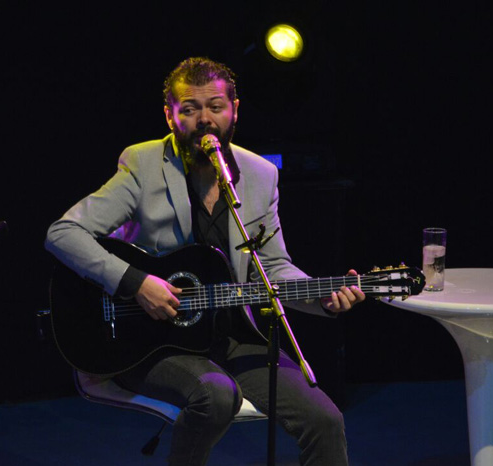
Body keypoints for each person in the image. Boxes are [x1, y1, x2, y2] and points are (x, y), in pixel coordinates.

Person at [45, 56, 365, 466]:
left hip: (232, 335)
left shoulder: (260, 175)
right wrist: (136, 282)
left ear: (235, 110)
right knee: (216, 396)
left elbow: (272, 267)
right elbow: (62, 233)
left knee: (325, 420)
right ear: (170, 115)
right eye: (190, 109)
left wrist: (321, 298)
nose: (204, 120)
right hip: (149, 338)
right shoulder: (143, 164)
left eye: (215, 107)